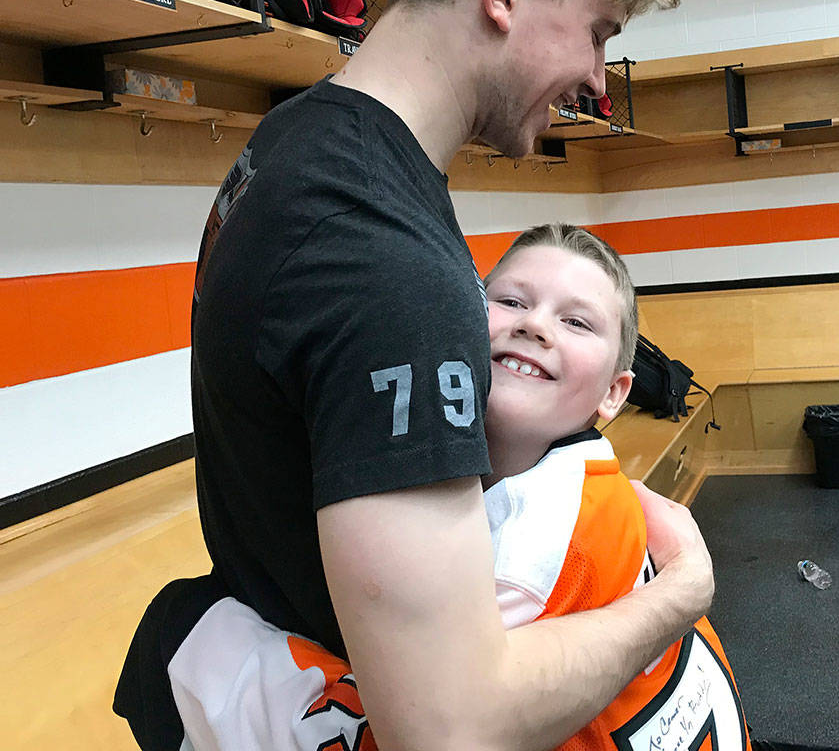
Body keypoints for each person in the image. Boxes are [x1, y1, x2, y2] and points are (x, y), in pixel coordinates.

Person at [114, 0, 719, 751]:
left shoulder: (302, 140)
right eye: (597, 30)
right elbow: (450, 728)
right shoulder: (382, 254)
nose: (600, 77)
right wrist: (678, 597)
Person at [161, 224, 753, 751]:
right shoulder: (585, 485)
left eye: (575, 321)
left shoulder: (542, 541)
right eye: (510, 300)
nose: (533, 324)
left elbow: (435, 731)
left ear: (615, 393)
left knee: (189, 635)